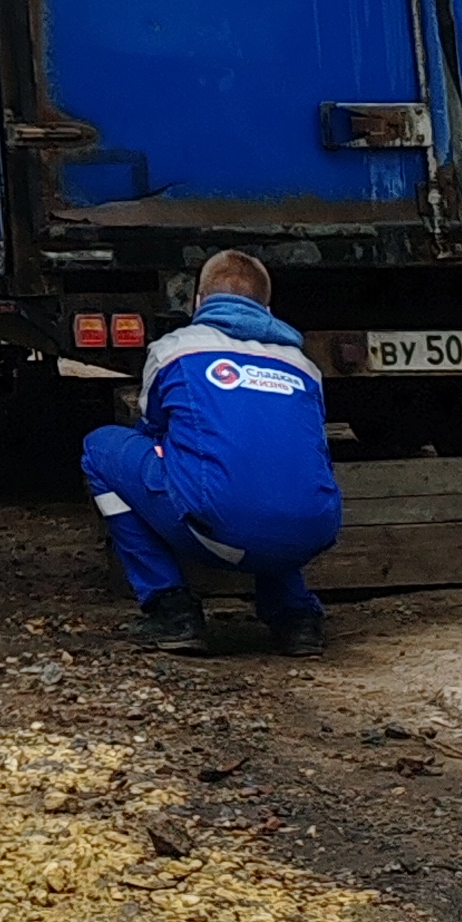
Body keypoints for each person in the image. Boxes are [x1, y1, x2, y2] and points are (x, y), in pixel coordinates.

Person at [82, 250, 342, 657]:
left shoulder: (174, 350)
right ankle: (296, 619)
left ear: (198, 302)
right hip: (313, 532)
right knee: (273, 468)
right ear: (266, 310)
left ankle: (172, 609)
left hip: (218, 529)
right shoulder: (303, 366)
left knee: (100, 450)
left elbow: (152, 429)